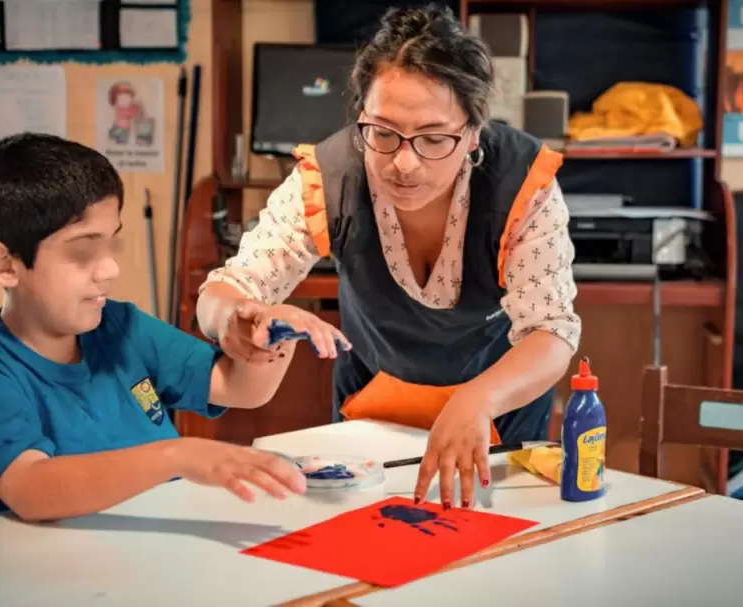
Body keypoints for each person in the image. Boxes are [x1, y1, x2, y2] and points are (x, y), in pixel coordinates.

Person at [196, 5, 582, 510]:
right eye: (382, 132)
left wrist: (477, 399)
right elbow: (228, 288)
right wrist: (232, 319)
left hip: (495, 415)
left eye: (434, 138)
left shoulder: (522, 183)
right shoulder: (331, 176)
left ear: (471, 135)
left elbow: (551, 333)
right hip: (371, 417)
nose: (404, 163)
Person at [0, 134, 344, 522]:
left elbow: (240, 388)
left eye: (112, 244)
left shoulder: (120, 327)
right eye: (82, 252)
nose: (111, 270)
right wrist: (178, 455)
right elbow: (29, 489)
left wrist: (273, 332)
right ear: (5, 265)